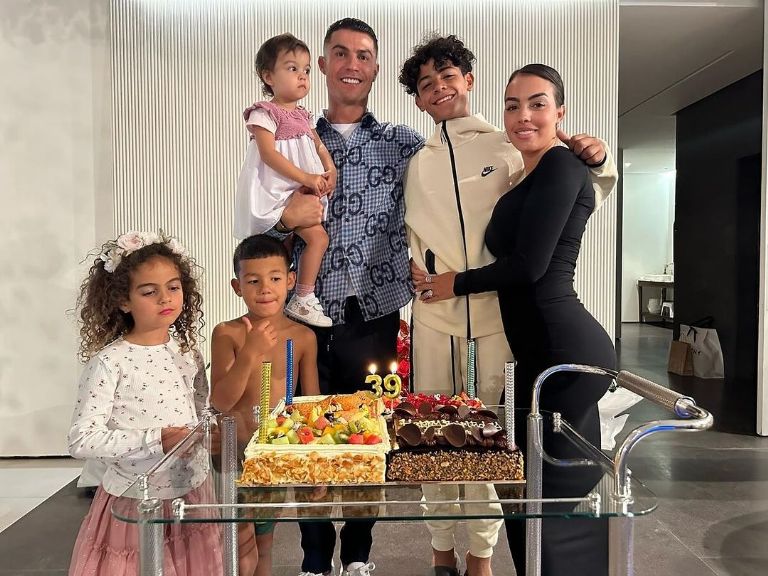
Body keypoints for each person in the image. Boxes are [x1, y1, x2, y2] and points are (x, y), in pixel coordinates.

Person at [399, 34, 617, 576]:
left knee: (495, 447)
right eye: (426, 84)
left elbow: (578, 191)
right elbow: (400, 230)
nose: (440, 88)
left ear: (469, 81)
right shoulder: (415, 162)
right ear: (418, 100)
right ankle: (441, 548)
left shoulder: (510, 145)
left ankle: (482, 555)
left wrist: (601, 155)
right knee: (433, 445)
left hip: (502, 323)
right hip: (436, 321)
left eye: (449, 75)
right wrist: (408, 269)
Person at [273, 18, 425, 576]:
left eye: (363, 55)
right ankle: (315, 556)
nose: (351, 64)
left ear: (376, 67)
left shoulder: (403, 144)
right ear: (322, 66)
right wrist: (282, 220)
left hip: (374, 315)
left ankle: (358, 554)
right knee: (306, 436)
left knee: (367, 438)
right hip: (304, 315)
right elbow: (258, 219)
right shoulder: (288, 141)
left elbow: (464, 185)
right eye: (340, 53)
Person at [68, 231, 223, 576]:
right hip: (136, 500)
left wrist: (209, 433)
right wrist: (154, 440)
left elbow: (201, 410)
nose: (165, 298)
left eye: (173, 287)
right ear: (124, 301)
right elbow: (82, 439)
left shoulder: (188, 353)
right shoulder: (110, 363)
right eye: (149, 291)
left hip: (191, 493)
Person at [210, 234, 321, 576]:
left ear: (290, 280)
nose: (265, 289)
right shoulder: (227, 334)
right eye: (253, 281)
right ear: (237, 286)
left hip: (274, 459)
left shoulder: (303, 337)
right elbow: (221, 401)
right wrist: (250, 353)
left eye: (274, 278)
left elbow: (311, 407)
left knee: (265, 543)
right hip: (234, 458)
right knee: (241, 547)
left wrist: (315, 464)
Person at [234, 33, 337, 328]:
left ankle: (301, 297)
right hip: (277, 192)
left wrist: (330, 169)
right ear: (268, 76)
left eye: (306, 70)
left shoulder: (304, 116)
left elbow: (318, 146)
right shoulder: (264, 113)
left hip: (299, 190)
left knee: (313, 240)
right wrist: (306, 177)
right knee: (280, 251)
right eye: (292, 68)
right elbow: (268, 155)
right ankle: (287, 303)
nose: (303, 76)